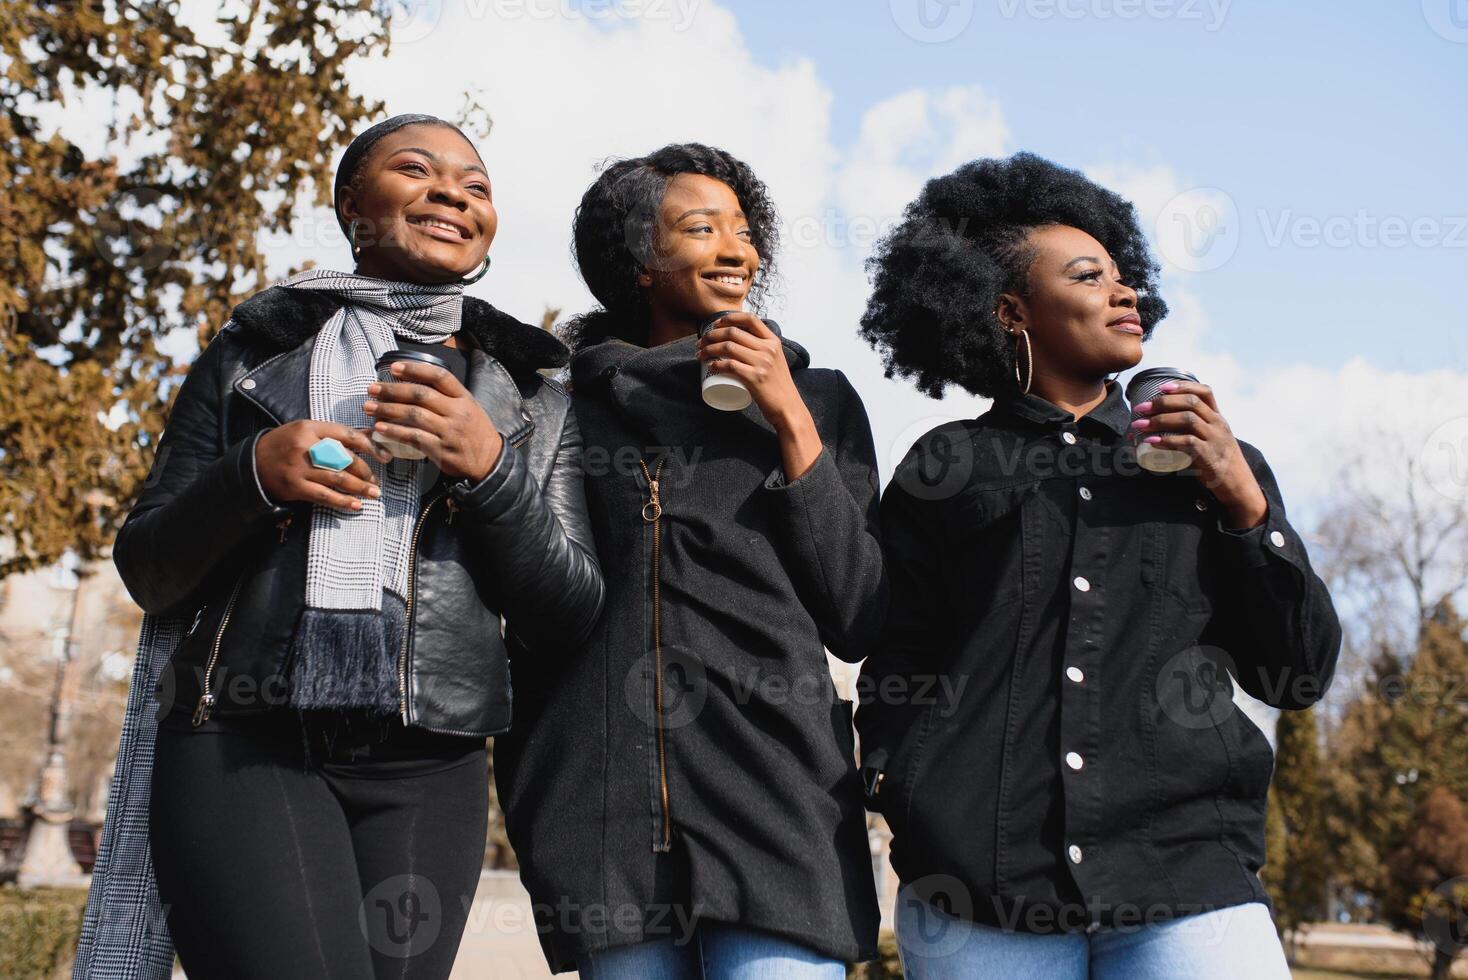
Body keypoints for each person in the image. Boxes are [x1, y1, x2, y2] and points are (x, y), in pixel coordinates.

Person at [75, 113, 603, 980]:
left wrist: (489, 469)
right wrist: (251, 474)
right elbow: (149, 570)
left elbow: (568, 614)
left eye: (476, 187)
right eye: (418, 171)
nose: (453, 195)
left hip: (435, 761)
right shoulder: (252, 354)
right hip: (244, 738)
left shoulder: (531, 392)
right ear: (353, 205)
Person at [854, 152, 1342, 980]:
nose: (1127, 294)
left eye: (1126, 278)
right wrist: (902, 782)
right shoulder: (945, 467)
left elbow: (1296, 674)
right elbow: (896, 656)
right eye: (1089, 277)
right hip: (981, 894)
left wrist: (1242, 504)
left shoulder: (1218, 463)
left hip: (1190, 883)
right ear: (1014, 310)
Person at [493, 143, 886, 978]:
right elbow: (525, 602)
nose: (736, 250)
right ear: (639, 261)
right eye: (701, 229)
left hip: (782, 810)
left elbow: (858, 615)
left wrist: (788, 420)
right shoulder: (559, 412)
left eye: (744, 232)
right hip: (601, 823)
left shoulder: (822, 402)